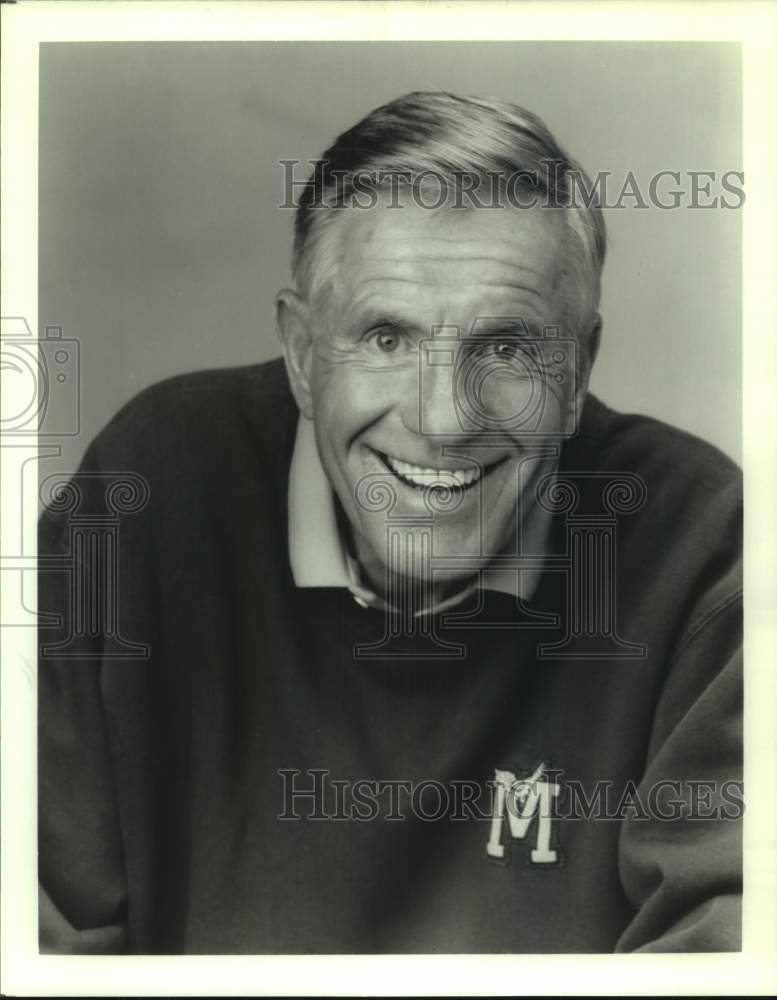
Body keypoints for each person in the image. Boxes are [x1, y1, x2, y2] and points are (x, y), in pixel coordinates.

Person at [38, 91, 742, 954]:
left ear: (578, 367)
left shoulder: (700, 543)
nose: (444, 420)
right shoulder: (146, 493)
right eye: (385, 338)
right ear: (302, 355)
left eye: (508, 347)